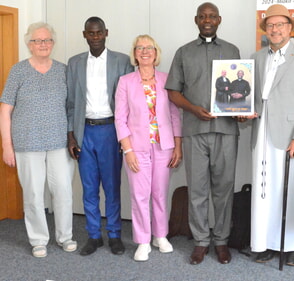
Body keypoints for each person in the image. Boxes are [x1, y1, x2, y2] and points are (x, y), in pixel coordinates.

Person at [166, 2, 240, 265]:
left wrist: (241, 107)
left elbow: (242, 89)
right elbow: (173, 92)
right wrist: (193, 109)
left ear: (219, 20)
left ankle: (221, 241)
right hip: (195, 130)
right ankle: (200, 241)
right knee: (197, 189)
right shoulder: (184, 53)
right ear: (195, 20)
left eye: (212, 16)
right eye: (202, 16)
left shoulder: (232, 50)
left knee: (223, 188)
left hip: (226, 130)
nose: (207, 20)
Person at [0, 22, 76, 258]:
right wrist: (7, 146)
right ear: (29, 44)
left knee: (63, 191)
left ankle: (65, 236)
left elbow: (72, 107)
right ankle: (38, 240)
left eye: (47, 40)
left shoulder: (64, 70)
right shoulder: (18, 71)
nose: (42, 44)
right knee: (33, 194)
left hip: (58, 144)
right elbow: (5, 110)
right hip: (26, 144)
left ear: (53, 43)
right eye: (37, 40)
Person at [248, 4, 294, 266]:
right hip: (260, 129)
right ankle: (263, 242)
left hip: (289, 134)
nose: (275, 30)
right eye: (271, 25)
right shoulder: (256, 57)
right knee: (263, 188)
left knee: (289, 188)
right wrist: (244, 112)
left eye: (280, 25)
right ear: (265, 29)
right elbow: (252, 95)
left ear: (290, 28)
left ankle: (291, 245)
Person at [66, 16, 134, 256]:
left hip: (111, 131)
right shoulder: (74, 63)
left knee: (112, 187)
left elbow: (129, 103)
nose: (95, 37)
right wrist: (71, 136)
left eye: (99, 33)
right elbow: (71, 104)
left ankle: (114, 234)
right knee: (89, 187)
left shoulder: (122, 61)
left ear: (106, 33)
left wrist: (125, 137)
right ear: (84, 35)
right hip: (85, 132)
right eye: (90, 33)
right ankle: (94, 235)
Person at [114, 35, 182, 262]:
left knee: (160, 193)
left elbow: (174, 115)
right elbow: (120, 119)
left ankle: (160, 236)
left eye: (149, 47)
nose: (145, 51)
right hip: (137, 148)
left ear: (156, 52)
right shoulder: (125, 81)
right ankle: (143, 240)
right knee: (140, 195)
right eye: (140, 47)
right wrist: (128, 150)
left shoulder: (166, 80)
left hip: (164, 147)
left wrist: (177, 146)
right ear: (134, 53)